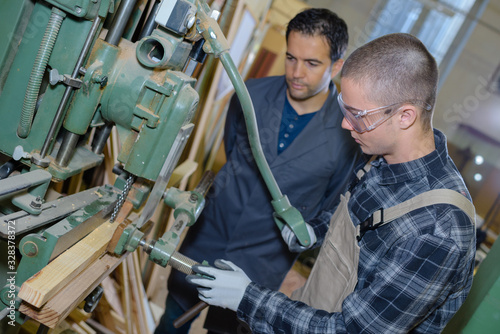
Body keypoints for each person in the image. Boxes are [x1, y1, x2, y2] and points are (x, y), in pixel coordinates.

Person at [186, 33, 477, 333]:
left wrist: (248, 298)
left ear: (405, 116)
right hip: (312, 309)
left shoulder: (437, 231)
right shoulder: (380, 157)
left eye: (357, 115)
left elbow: (351, 330)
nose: (345, 124)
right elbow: (351, 217)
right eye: (343, 108)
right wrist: (314, 231)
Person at [154, 8, 360, 334]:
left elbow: (334, 205)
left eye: (311, 63)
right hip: (211, 234)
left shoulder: (347, 134)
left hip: (263, 258)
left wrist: (308, 234)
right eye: (291, 58)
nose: (296, 72)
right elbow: (233, 146)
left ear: (337, 66)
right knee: (172, 319)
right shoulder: (251, 94)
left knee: (224, 330)